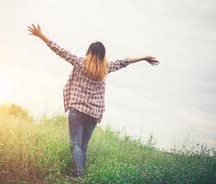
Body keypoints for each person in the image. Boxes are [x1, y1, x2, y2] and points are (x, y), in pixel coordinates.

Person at [27, 24, 159, 177]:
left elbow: (59, 50)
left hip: (77, 110)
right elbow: (126, 61)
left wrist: (41, 35)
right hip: (94, 113)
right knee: (83, 145)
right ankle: (80, 174)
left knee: (75, 144)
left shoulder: (80, 62)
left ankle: (79, 175)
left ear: (88, 52)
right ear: (103, 55)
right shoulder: (106, 68)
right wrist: (144, 58)